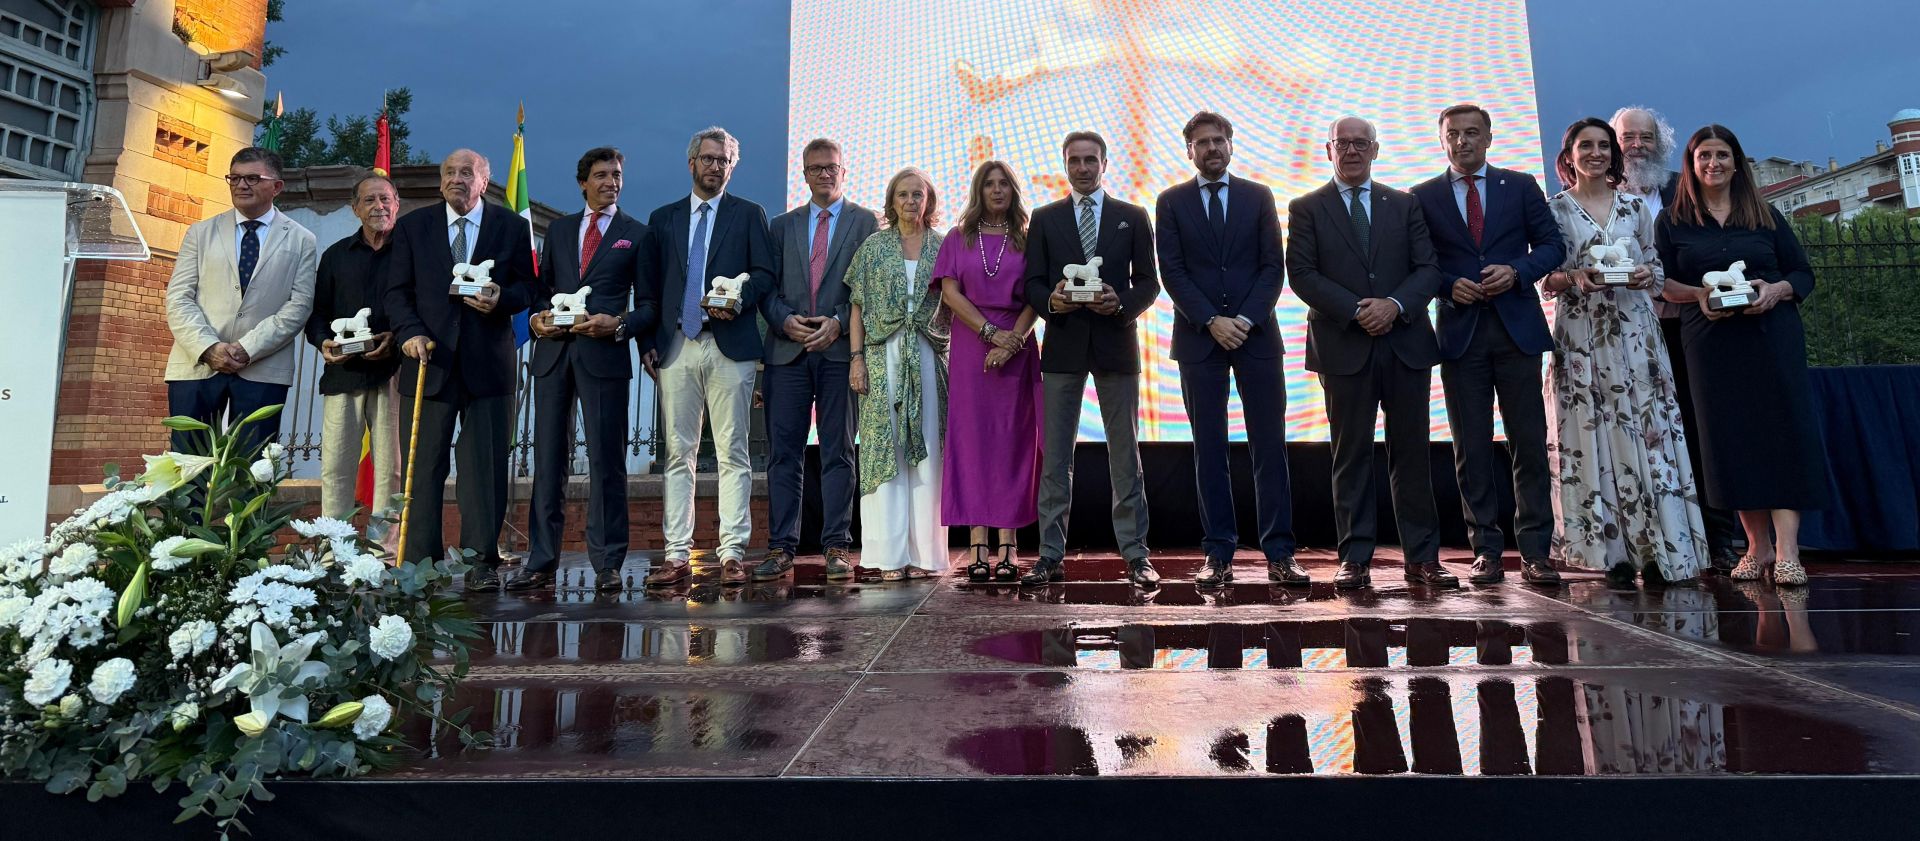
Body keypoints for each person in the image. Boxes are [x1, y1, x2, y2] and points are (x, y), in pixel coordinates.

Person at [1655, 125, 1829, 586]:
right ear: (1691, 165)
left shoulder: (1767, 215)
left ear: (1737, 162)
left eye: (1722, 154)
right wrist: (1699, 295)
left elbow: (1803, 273)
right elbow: (1663, 282)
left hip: (1771, 338)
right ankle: (1757, 546)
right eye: (1704, 155)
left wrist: (1777, 289)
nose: (1713, 163)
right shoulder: (1672, 221)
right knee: (1731, 442)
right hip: (1710, 343)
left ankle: (1789, 550)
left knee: (1782, 435)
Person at [1540, 118, 1707, 584]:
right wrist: (1573, 278)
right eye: (1585, 146)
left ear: (1613, 155)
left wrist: (1643, 277)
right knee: (1590, 440)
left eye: (1603, 146)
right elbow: (1543, 279)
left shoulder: (1636, 207)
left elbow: (1654, 267)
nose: (1595, 153)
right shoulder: (1554, 211)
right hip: (1581, 338)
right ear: (1568, 155)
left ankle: (1657, 548)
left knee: (1647, 435)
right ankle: (1606, 553)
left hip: (1636, 336)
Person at [1287, 116, 1448, 590]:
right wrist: (1357, 311)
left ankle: (1423, 558)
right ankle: (1354, 558)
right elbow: (1302, 273)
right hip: (1344, 347)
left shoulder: (1404, 204)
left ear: (1376, 150)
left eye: (1361, 144)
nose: (1352, 151)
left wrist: (1394, 306)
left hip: (1405, 344)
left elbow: (1428, 268)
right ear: (1328, 150)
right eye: (1343, 144)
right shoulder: (1306, 207)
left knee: (1413, 454)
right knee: (1351, 455)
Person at [1411, 104, 1565, 586]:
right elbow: (1422, 261)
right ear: (1442, 141)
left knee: (1528, 445)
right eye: (1453, 134)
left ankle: (1537, 551)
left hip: (1517, 331)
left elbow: (1552, 246)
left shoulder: (1519, 186)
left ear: (1490, 137)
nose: (1463, 141)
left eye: (1472, 132)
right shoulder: (1422, 196)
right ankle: (1486, 549)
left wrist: (1517, 271)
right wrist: (1446, 285)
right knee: (1471, 448)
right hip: (1461, 335)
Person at [1155, 111, 1305, 588]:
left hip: (1256, 337)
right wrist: (1211, 321)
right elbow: (1172, 273)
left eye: (1219, 140)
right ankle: (1218, 554)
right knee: (1209, 449)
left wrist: (1241, 320)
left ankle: (1280, 553)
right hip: (1200, 341)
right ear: (1190, 151)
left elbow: (1271, 267)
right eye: (1202, 142)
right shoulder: (1171, 201)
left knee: (1269, 448)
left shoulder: (1258, 196)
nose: (1212, 148)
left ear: (1232, 145)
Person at [384, 149, 535, 587]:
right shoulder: (414, 226)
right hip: (428, 362)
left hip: (489, 366)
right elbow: (396, 292)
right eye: (448, 171)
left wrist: (499, 298)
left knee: (483, 470)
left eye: (466, 172)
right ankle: (421, 565)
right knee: (423, 467)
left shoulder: (510, 227)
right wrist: (409, 332)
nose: (456, 178)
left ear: (484, 182)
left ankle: (479, 564)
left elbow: (528, 287)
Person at [1020, 131, 1161, 587]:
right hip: (1062, 347)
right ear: (1065, 164)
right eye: (1074, 161)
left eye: (1090, 160)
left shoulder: (1133, 216)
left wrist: (1119, 304)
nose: (1082, 168)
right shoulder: (1044, 218)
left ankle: (1136, 556)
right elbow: (1033, 285)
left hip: (1115, 345)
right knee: (1056, 456)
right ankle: (1049, 556)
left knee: (1125, 455)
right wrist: (1053, 303)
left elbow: (1149, 284)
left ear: (1104, 163)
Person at [637, 127, 775, 588]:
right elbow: (649, 289)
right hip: (677, 345)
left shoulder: (749, 214)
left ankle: (732, 551)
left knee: (734, 452)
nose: (716, 166)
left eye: (725, 161)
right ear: (691, 162)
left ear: (732, 167)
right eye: (709, 159)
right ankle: (677, 553)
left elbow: (764, 275)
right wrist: (646, 343)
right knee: (679, 454)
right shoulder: (663, 218)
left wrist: (738, 297)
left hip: (729, 345)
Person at [513, 147, 654, 594]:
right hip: (554, 355)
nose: (611, 181)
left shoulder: (638, 233)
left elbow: (650, 304)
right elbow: (542, 291)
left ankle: (609, 562)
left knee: (606, 461)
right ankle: (540, 560)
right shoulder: (558, 230)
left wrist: (622, 325)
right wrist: (537, 320)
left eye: (616, 174)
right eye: (600, 175)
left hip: (604, 355)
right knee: (548, 460)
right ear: (582, 183)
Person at [1613, 105, 1742, 574]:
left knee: (1701, 427)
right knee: (1639, 435)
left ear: (1662, 144)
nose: (1637, 146)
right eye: (1628, 137)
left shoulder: (1685, 191)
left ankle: (1718, 538)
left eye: (1646, 137)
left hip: (1687, 326)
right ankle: (1647, 540)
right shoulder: (1600, 195)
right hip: (1625, 333)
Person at [758, 138, 877, 582]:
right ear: (803, 174)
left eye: (831, 168)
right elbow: (764, 290)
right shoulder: (780, 226)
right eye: (815, 168)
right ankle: (781, 548)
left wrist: (840, 322)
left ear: (844, 171)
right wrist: (784, 320)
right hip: (787, 353)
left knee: (839, 451)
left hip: (839, 353)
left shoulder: (866, 223)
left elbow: (871, 290)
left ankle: (837, 546)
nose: (824, 174)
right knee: (783, 453)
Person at [164, 147, 317, 456]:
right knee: (188, 463)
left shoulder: (302, 240)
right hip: (197, 364)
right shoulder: (201, 232)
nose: (240, 185)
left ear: (277, 187)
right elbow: (179, 297)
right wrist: (209, 347)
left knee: (250, 467)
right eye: (234, 178)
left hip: (262, 367)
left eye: (251, 178)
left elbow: (299, 306)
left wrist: (247, 348)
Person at [934, 159, 1041, 584]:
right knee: (974, 443)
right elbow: (949, 291)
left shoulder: (1029, 239)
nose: (997, 191)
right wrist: (991, 334)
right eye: (989, 184)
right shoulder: (959, 238)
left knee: (1011, 446)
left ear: (1013, 191)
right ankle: (977, 543)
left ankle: (1009, 545)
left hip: (1018, 346)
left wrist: (1012, 339)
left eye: (1004, 184)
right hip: (970, 348)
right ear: (978, 191)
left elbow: (1037, 296)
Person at [848, 167, 950, 581]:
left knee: (927, 447)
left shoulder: (944, 247)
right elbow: (856, 305)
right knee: (884, 450)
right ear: (891, 202)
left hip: (928, 356)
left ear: (929, 201)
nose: (911, 201)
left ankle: (926, 554)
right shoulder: (873, 247)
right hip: (880, 358)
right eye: (903, 195)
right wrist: (856, 359)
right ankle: (887, 555)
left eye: (918, 195)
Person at [303, 174, 400, 534]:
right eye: (370, 200)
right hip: (343, 375)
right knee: (335, 466)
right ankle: (333, 549)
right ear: (355, 208)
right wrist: (323, 342)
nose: (380, 207)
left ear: (397, 205)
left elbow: (421, 311)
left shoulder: (411, 254)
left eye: (386, 199)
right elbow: (316, 314)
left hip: (393, 373)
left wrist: (395, 336)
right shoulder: (335, 256)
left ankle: (386, 551)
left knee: (391, 468)